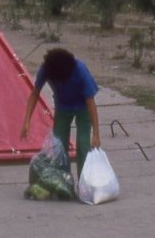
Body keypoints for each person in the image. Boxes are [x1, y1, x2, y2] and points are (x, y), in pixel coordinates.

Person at [21, 47, 100, 179]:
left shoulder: (80, 70)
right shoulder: (46, 69)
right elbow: (35, 94)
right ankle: (64, 180)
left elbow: (90, 102)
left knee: (83, 144)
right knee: (59, 146)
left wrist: (96, 134)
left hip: (83, 108)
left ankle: (84, 182)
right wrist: (26, 121)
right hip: (63, 107)